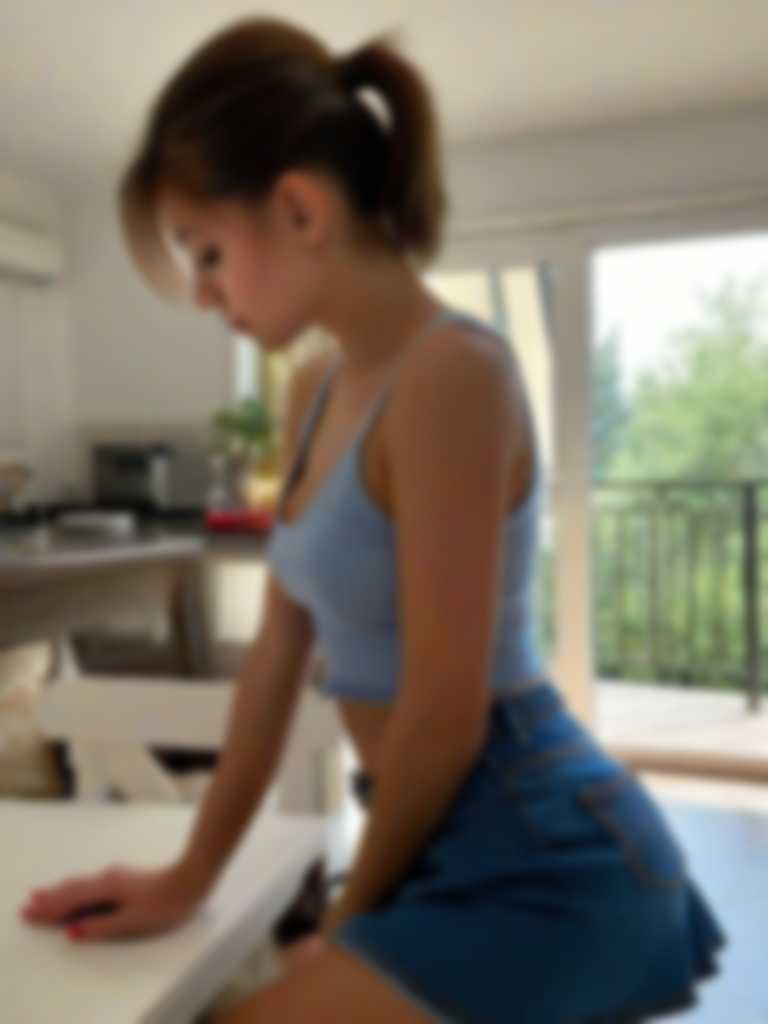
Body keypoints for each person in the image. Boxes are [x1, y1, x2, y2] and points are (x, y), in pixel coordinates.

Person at [19, 15, 726, 1023]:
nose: (204, 294)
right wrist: (186, 879)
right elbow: (275, 658)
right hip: (433, 834)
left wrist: (351, 917)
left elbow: (444, 712)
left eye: (208, 252)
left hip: (540, 849)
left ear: (299, 209)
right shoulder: (314, 392)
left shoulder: (451, 374)